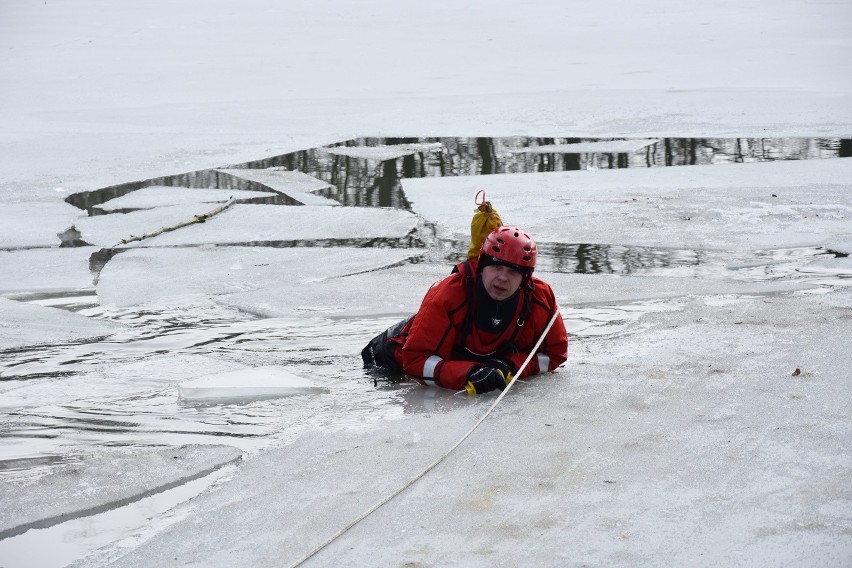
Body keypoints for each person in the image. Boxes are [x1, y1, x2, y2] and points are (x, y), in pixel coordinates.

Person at [362, 226, 568, 394]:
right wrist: (468, 374)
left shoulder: (540, 298)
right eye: (497, 267)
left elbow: (556, 354)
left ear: (525, 278)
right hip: (388, 362)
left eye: (513, 272)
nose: (503, 278)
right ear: (481, 266)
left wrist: (510, 364)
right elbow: (415, 360)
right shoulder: (448, 294)